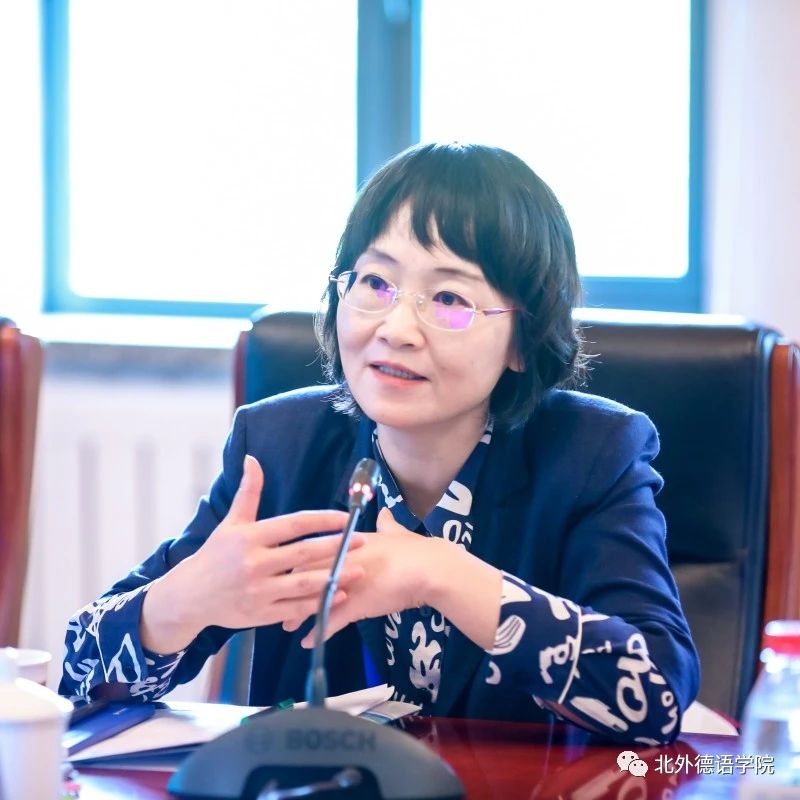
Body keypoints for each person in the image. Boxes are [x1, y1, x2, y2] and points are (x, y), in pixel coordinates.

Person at [60, 142, 699, 744]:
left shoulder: (592, 454)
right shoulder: (280, 448)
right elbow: (76, 679)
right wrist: (180, 603)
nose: (396, 328)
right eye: (375, 283)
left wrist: (439, 573)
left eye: (448, 297)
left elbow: (659, 696)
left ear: (524, 341)